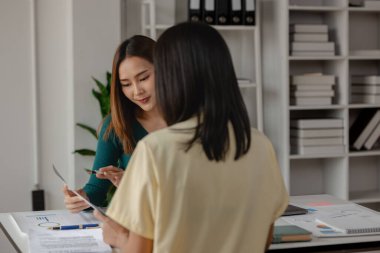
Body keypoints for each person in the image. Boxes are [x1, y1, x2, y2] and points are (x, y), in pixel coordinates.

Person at [95, 22, 288, 253]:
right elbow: (263, 240)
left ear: (172, 76)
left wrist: (117, 237)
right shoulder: (258, 144)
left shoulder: (155, 149)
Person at [63, 35, 166, 213]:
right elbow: (96, 190)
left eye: (143, 78)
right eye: (126, 84)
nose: (137, 91)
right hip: (137, 230)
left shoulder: (192, 118)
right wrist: (83, 199)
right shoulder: (116, 125)